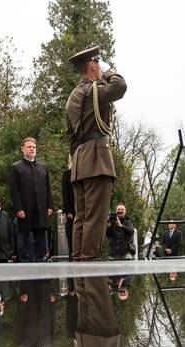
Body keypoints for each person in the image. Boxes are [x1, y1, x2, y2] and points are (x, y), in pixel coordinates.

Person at [65, 46, 127, 261]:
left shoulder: (73, 96)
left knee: (81, 218)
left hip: (81, 162)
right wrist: (108, 68)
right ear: (93, 64)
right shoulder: (93, 91)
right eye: (98, 62)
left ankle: (80, 263)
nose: (100, 66)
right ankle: (90, 265)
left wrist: (77, 163)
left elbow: (71, 137)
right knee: (96, 218)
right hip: (97, 159)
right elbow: (120, 86)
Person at [9, 137, 54, 262]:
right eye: (29, 147)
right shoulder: (16, 167)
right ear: (23, 149)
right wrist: (18, 208)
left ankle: (40, 260)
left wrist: (50, 206)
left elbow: (48, 189)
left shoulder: (43, 168)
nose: (32, 149)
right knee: (24, 240)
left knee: (41, 239)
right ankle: (25, 263)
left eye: (34, 147)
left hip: (41, 210)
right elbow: (14, 191)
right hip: (25, 210)